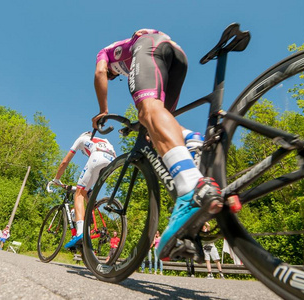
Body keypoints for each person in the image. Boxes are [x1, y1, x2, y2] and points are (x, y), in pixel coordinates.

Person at [92, 28, 223, 261]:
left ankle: (190, 186)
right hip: (175, 53)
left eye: (114, 76)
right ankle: (192, 141)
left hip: (150, 47)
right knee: (159, 127)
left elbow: (100, 72)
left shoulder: (106, 53)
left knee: (147, 112)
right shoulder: (126, 55)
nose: (113, 76)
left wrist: (103, 110)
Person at [50, 131, 116, 248]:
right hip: (112, 162)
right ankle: (91, 215)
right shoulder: (105, 140)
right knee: (86, 192)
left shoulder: (81, 139)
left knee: (78, 195)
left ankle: (80, 232)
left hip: (97, 157)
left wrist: (56, 179)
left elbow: (65, 162)